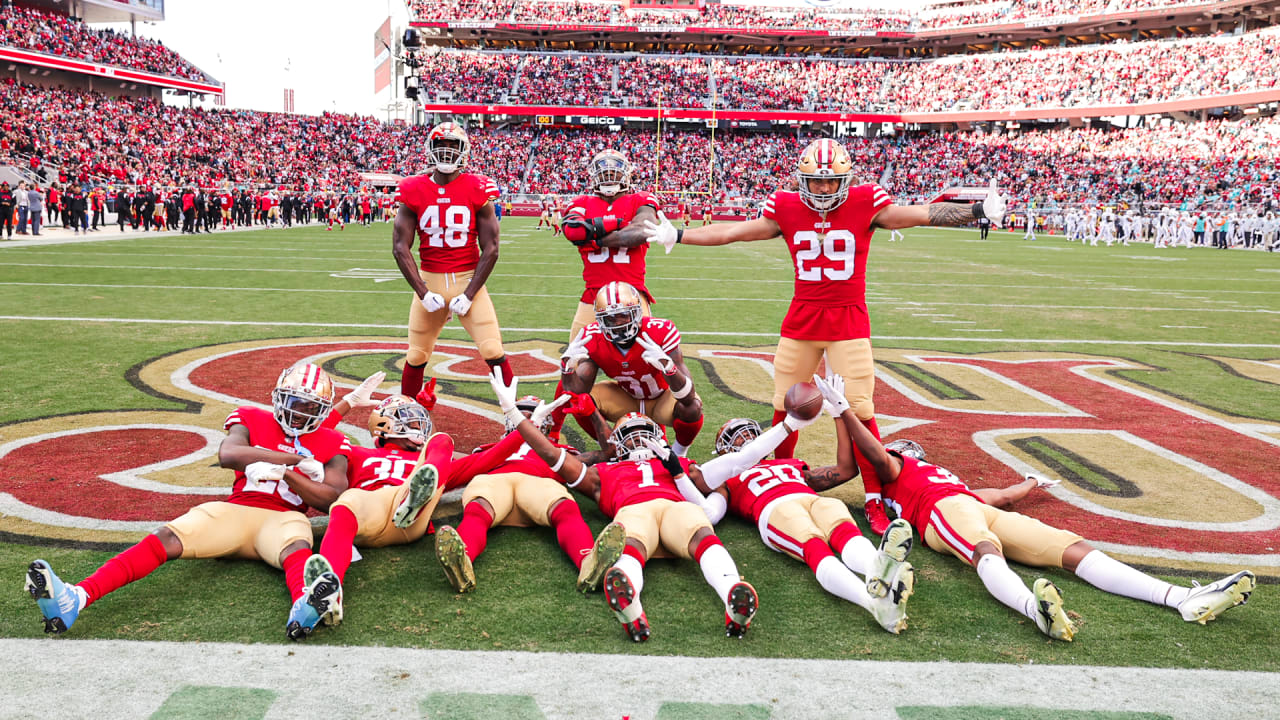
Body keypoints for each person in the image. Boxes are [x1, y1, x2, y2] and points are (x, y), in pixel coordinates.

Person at [645, 137, 1007, 534]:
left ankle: (873, 499)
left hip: (848, 322)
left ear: (845, 180)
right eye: (815, 182)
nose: (821, 189)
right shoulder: (785, 206)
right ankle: (779, 478)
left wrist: (974, 210)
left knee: (859, 410)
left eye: (830, 182)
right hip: (801, 321)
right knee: (784, 404)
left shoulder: (866, 202)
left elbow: (920, 214)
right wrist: (678, 235)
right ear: (802, 179)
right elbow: (733, 232)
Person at [811, 378, 1257, 641]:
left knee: (1071, 549)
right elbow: (872, 451)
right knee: (986, 551)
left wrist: (1029, 484)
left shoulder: (944, 476)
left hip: (969, 506)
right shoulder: (899, 470)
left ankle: (1180, 598)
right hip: (940, 514)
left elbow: (999, 496)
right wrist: (845, 410)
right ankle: (1033, 610)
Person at [25, 363, 352, 641]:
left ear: (322, 410)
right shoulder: (252, 417)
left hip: (282, 518)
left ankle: (304, 607)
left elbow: (332, 498)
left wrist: (289, 476)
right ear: (278, 396)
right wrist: (290, 460)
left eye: (308, 406)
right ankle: (75, 598)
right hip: (234, 512)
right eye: (292, 400)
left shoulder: (334, 441)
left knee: (297, 549)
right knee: (166, 538)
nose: (297, 411)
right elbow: (229, 453)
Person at [491, 369, 819, 642]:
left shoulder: (673, 465)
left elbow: (740, 460)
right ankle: (644, 597)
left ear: (659, 438)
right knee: (659, 540)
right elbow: (553, 456)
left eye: (642, 433)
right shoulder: (604, 472)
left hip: (660, 509)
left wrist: (788, 425)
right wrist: (520, 420)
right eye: (631, 435)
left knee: (685, 539)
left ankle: (720, 591)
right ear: (617, 445)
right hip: (644, 510)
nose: (638, 441)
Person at [676, 378, 916, 634]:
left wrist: (838, 413)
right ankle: (874, 605)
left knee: (843, 526)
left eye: (749, 433)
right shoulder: (725, 477)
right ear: (723, 450)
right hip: (774, 509)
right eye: (735, 437)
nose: (745, 438)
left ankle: (878, 572)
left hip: (810, 498)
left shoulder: (790, 463)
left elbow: (846, 470)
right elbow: (710, 509)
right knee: (816, 548)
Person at [302, 376, 456, 635]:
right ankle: (329, 591)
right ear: (386, 424)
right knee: (345, 504)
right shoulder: (359, 453)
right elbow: (316, 437)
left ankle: (413, 498)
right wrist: (348, 402)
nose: (420, 426)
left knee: (442, 440)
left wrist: (520, 425)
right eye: (411, 419)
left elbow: (486, 460)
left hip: (407, 515)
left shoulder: (426, 457)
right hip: (370, 512)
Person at [432, 391, 626, 595]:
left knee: (565, 508)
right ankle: (462, 562)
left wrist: (592, 413)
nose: (526, 420)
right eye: (520, 414)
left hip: (537, 484)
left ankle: (588, 562)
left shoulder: (559, 450)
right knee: (478, 508)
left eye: (531, 415)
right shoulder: (489, 448)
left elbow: (609, 454)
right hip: (496, 483)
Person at [392, 121, 514, 402]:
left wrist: (469, 294)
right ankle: (408, 412)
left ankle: (514, 416)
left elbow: (492, 247)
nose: (447, 152)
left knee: (493, 350)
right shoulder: (412, 188)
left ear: (464, 151)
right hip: (430, 279)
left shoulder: (478, 186)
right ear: (429, 150)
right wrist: (422, 292)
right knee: (416, 354)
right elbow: (400, 247)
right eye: (441, 146)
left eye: (453, 146)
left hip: (467, 279)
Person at [560, 281, 703, 456]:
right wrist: (567, 369)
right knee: (580, 402)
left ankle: (679, 453)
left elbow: (687, 396)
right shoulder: (593, 337)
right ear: (600, 320)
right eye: (610, 318)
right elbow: (577, 392)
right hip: (625, 397)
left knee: (692, 407)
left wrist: (668, 367)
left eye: (624, 315)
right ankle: (611, 448)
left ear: (636, 312)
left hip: (661, 399)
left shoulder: (660, 331)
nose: (618, 323)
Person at [560, 150, 661, 343]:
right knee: (573, 362)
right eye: (603, 172)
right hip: (593, 295)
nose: (608, 177)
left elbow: (645, 230)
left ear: (627, 174)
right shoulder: (582, 202)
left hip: (632, 294)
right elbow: (574, 231)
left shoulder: (640, 199)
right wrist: (620, 224)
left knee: (647, 359)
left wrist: (595, 241)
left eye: (613, 172)